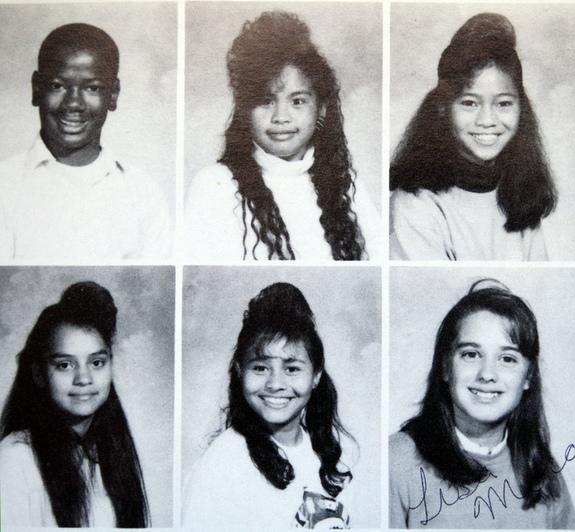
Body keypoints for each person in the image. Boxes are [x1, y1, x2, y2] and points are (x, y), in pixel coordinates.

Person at [184, 11, 378, 261]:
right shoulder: (213, 186)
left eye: (298, 101)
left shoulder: (346, 184)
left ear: (321, 108)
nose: (280, 117)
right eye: (265, 101)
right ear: (244, 109)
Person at [389, 281, 575, 528]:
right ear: (445, 366)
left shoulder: (542, 471)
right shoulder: (396, 462)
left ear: (528, 376)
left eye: (507, 358)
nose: (487, 374)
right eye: (471, 354)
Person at [183, 282, 355, 528]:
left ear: (316, 375)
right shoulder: (223, 463)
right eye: (261, 368)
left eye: (292, 368)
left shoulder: (331, 461)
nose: (275, 384)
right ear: (241, 371)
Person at [389, 13, 556, 261]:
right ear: (444, 107)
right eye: (469, 103)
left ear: (522, 108)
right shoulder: (416, 204)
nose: (487, 120)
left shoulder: (518, 192)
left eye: (503, 103)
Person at [0, 23, 172, 261]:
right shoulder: (5, 186)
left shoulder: (144, 194)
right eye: (57, 86)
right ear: (36, 89)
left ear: (113, 95)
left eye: (92, 88)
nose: (73, 103)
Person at [0, 281, 149, 528]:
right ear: (39, 374)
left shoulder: (105, 451)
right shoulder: (15, 461)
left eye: (96, 362)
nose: (83, 379)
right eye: (65, 365)